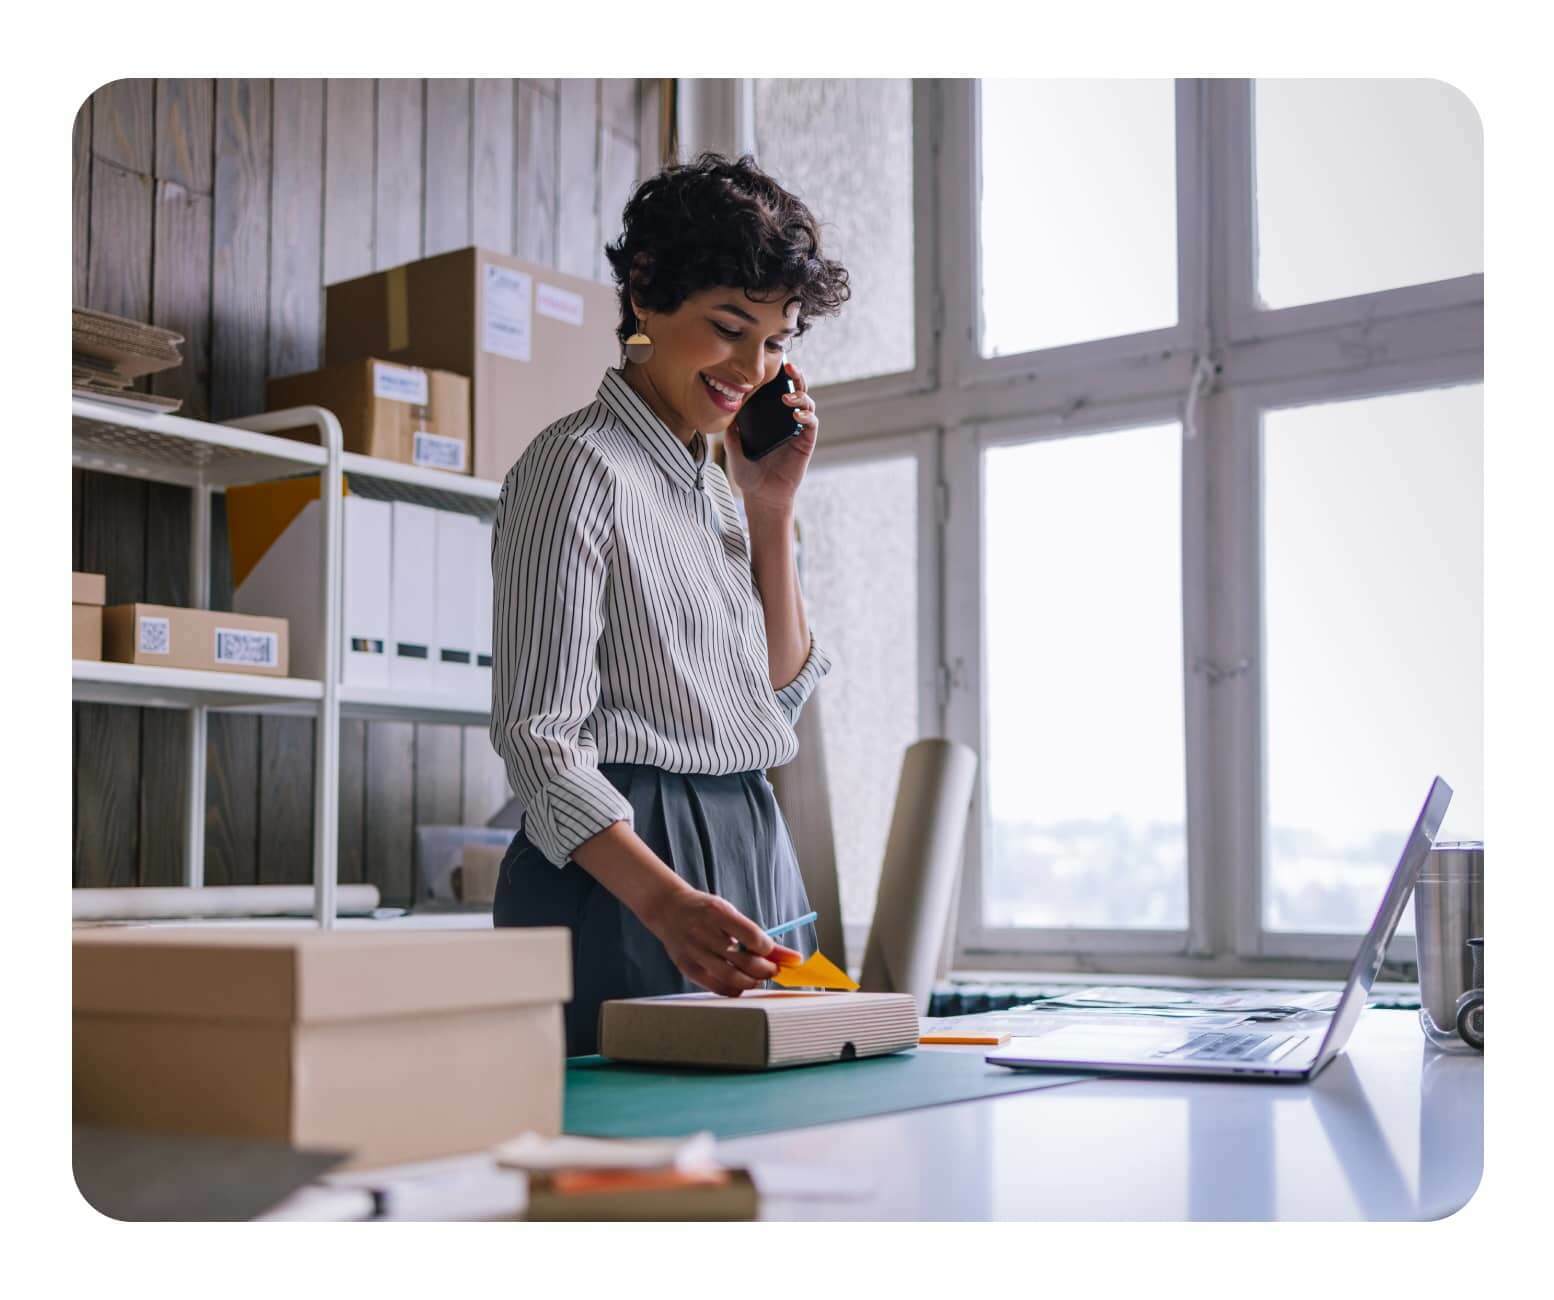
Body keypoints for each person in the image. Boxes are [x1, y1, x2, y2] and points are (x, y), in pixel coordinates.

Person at [488, 152, 852, 1055]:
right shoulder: (574, 468)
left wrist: (771, 509)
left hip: (751, 845)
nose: (751, 367)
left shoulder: (722, 487)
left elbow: (771, 705)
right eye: (729, 327)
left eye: (776, 342)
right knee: (621, 1163)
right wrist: (664, 901)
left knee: (763, 1155)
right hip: (624, 871)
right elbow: (540, 742)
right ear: (645, 298)